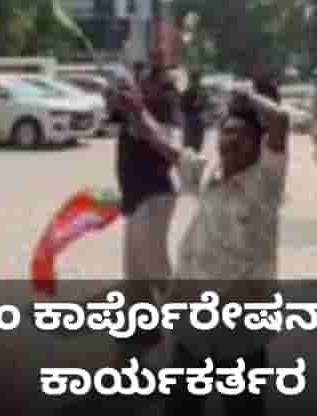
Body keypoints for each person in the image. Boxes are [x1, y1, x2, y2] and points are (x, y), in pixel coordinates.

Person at [113, 75, 289, 416]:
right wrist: (137, 109)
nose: (232, 140)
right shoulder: (209, 173)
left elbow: (280, 119)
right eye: (227, 132)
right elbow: (159, 142)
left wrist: (248, 94)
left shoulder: (266, 182)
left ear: (259, 145)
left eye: (243, 135)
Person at [113, 50, 180, 342]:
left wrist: (140, 115)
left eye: (154, 77)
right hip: (135, 197)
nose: (145, 82)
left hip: (154, 196)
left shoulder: (164, 108)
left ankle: (190, 328)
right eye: (144, 76)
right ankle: (143, 327)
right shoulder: (135, 109)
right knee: (134, 271)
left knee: (156, 267)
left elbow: (167, 147)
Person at [178, 68, 209, 151]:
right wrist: (194, 105)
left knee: (195, 143)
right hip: (191, 118)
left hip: (196, 118)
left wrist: (200, 103)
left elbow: (205, 105)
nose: (197, 82)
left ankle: (195, 151)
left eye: (198, 79)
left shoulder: (201, 92)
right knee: (190, 143)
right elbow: (182, 107)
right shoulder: (187, 92)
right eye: (195, 79)